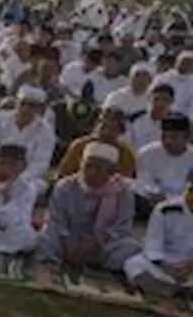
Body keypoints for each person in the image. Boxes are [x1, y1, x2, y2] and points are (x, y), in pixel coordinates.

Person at [37, 142, 141, 274]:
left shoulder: (123, 192)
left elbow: (121, 227)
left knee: (131, 248)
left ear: (111, 172)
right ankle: (51, 264)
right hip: (67, 243)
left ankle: (98, 268)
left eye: (98, 168)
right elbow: (55, 220)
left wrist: (94, 244)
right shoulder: (65, 187)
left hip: (101, 246)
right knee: (45, 238)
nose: (91, 172)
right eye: (87, 166)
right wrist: (68, 242)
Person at [0, 84, 56, 196]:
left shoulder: (46, 131)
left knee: (39, 186)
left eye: (31, 105)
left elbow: (40, 164)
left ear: (40, 109)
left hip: (23, 178)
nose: (26, 109)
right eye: (23, 103)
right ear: (16, 102)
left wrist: (15, 181)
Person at [124, 169, 193, 296]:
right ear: (186, 186)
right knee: (133, 264)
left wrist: (190, 265)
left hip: (190, 269)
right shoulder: (165, 209)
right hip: (166, 264)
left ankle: (169, 290)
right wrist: (168, 267)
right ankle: (175, 291)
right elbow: (152, 246)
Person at [134, 114, 193, 219]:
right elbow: (143, 178)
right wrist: (155, 192)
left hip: (181, 204)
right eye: (164, 136)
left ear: (187, 137)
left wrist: (170, 199)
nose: (168, 141)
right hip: (151, 199)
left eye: (174, 137)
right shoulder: (147, 152)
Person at [54, 110, 138, 180]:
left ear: (120, 132)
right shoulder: (79, 146)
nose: (106, 132)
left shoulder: (125, 152)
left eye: (112, 128)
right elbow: (63, 174)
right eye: (103, 127)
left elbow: (127, 180)